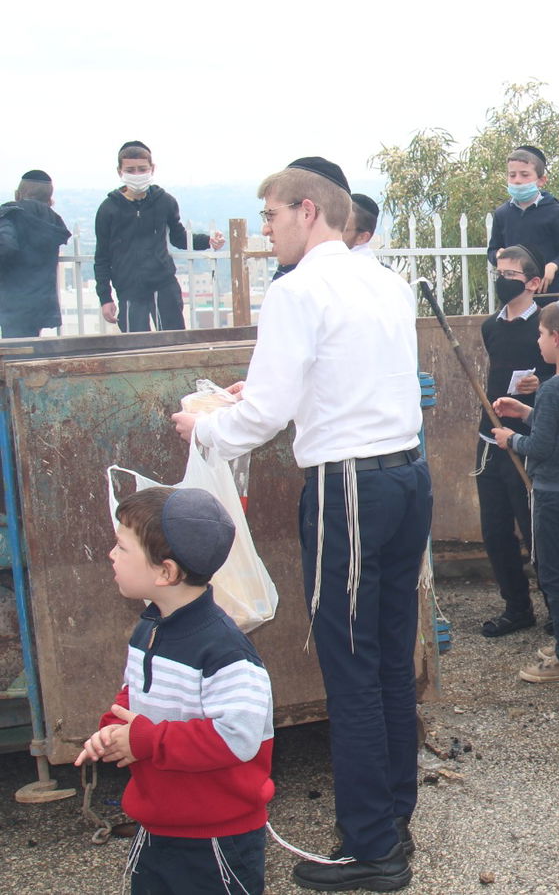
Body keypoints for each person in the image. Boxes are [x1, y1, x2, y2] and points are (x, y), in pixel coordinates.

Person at [172, 157, 430, 892]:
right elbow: (344, 375)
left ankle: (372, 848)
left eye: (272, 218)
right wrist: (256, 390)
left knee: (350, 664)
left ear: (309, 211)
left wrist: (204, 427)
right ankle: (390, 818)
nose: (267, 233)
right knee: (384, 656)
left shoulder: (299, 289)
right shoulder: (381, 280)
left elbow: (264, 420)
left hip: (349, 484)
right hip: (404, 477)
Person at [78, 486, 272, 895]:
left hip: (216, 840)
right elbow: (135, 693)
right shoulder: (149, 628)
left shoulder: (226, 650)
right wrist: (114, 728)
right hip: (159, 823)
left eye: (121, 547)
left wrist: (146, 740)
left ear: (165, 572)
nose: (111, 555)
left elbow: (237, 736)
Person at [491, 298, 559, 683]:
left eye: (539, 333)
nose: (537, 340)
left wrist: (510, 439)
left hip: (552, 494)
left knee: (553, 573)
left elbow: (540, 446)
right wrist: (525, 414)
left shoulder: (553, 388)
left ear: (556, 337)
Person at [476, 245, 556, 638]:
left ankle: (558, 605)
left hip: (529, 437)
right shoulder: (491, 326)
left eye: (511, 275)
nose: (502, 280)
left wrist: (542, 382)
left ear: (533, 282)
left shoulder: (547, 324)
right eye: (499, 272)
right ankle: (516, 606)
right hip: (489, 436)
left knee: (533, 523)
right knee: (494, 528)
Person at [94, 141, 226, 332]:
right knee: (136, 349)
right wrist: (105, 297)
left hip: (163, 284)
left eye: (142, 169)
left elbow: (179, 237)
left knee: (174, 342)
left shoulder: (164, 201)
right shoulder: (109, 209)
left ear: (152, 169)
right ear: (120, 171)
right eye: (131, 170)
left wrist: (208, 241)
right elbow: (102, 257)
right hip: (129, 288)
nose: (137, 175)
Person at [485, 146, 559, 294]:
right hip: (511, 292)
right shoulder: (502, 213)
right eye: (512, 175)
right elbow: (493, 249)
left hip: (545, 293)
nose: (518, 180)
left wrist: (553, 266)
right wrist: (497, 256)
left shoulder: (555, 212)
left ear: (541, 180)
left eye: (524, 174)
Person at [0, 169, 69, 338]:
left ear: (18, 194)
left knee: (15, 355)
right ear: (49, 200)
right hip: (41, 302)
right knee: (33, 351)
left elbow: (6, 246)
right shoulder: (53, 220)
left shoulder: (11, 215)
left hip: (14, 302)